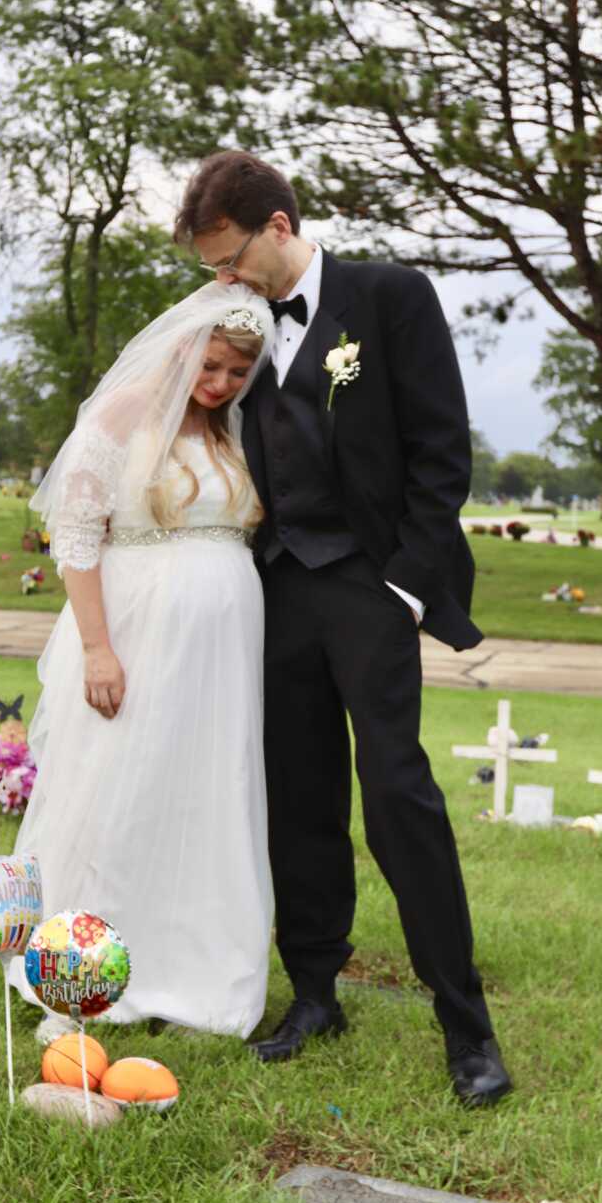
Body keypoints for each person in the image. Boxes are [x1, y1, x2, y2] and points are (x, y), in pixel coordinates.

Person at [174, 151, 512, 1106]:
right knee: (298, 796)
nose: (223, 281)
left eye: (231, 257)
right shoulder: (228, 321)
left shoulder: (390, 296)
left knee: (398, 794)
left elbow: (443, 453)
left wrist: (406, 587)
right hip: (274, 590)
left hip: (371, 588)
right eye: (210, 266)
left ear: (278, 226)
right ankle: (316, 991)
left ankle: (466, 1027)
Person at [8, 281, 277, 1041]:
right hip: (136, 630)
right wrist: (98, 647)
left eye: (238, 374)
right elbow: (77, 535)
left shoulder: (234, 431)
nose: (221, 385)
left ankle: (196, 980)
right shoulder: (125, 413)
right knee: (117, 795)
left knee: (206, 796)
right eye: (213, 367)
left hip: (223, 649)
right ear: (185, 347)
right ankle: (79, 985)